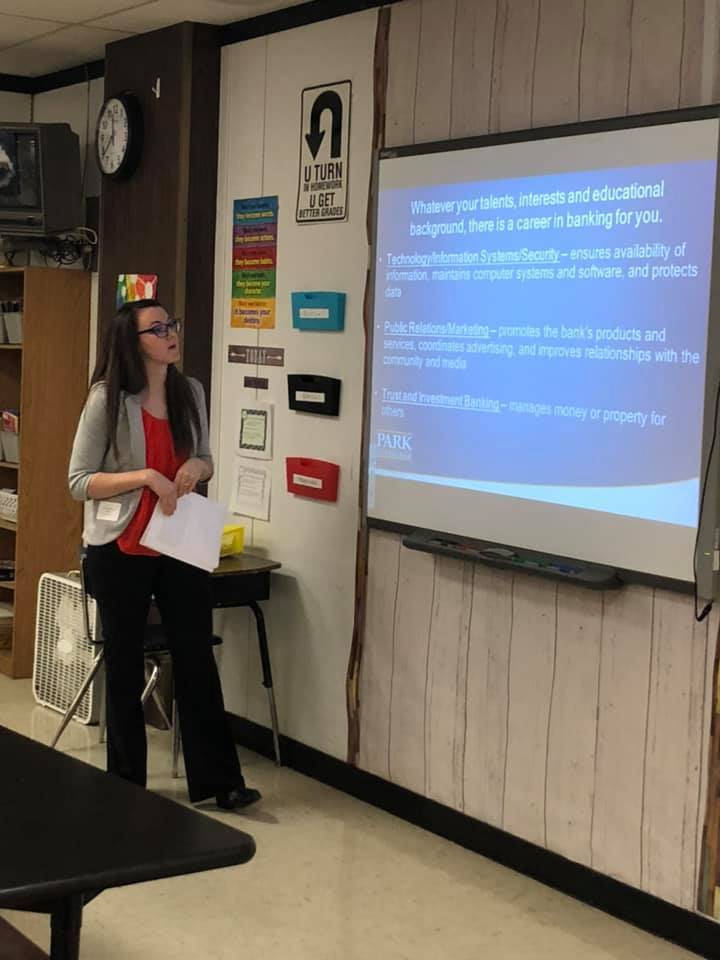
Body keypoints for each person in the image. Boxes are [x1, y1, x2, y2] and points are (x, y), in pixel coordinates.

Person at [68, 299, 260, 810]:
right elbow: (79, 481)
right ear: (134, 344)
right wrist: (146, 477)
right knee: (126, 664)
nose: (171, 334)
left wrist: (196, 469)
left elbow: (206, 458)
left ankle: (219, 782)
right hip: (119, 547)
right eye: (158, 329)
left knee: (196, 656)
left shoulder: (189, 391)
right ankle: (127, 786)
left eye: (172, 324)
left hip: (179, 544)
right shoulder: (106, 399)